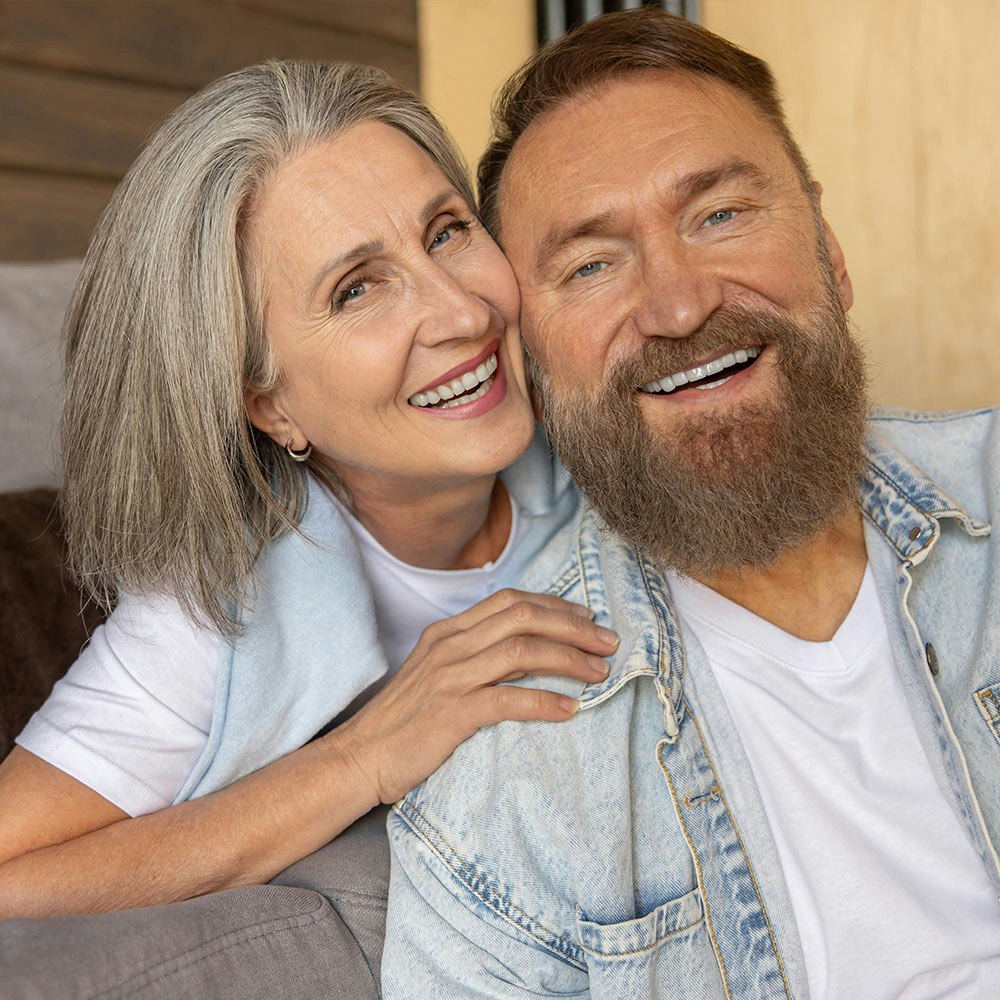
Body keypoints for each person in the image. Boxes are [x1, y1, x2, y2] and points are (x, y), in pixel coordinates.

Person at [382, 10, 1000, 998]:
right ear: (532, 364)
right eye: (590, 264)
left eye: (719, 215)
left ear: (829, 252)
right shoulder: (504, 792)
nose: (677, 304)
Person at [0, 58, 621, 994]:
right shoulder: (212, 615)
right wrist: (363, 759)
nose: (463, 311)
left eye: (448, 231)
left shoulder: (609, 438)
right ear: (267, 403)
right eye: (357, 290)